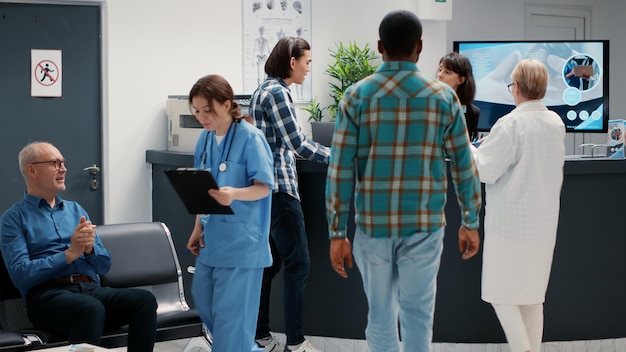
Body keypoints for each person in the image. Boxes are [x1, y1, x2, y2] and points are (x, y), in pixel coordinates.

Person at [326, 10, 482, 352]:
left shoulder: (356, 97)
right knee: (418, 316)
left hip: (372, 225)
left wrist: (337, 233)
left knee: (380, 317)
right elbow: (463, 165)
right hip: (424, 226)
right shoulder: (444, 99)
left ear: (380, 46)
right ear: (420, 47)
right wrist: (470, 221)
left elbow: (339, 170)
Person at [0, 141, 157, 351]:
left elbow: (104, 266)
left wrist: (91, 249)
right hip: (47, 297)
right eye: (55, 163)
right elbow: (21, 274)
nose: (63, 169)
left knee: (144, 301)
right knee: (89, 309)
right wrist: (70, 254)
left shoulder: (76, 210)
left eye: (63, 163)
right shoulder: (13, 218)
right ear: (32, 170)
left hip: (90, 289)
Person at [471, 59, 565, 352]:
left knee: (502, 294)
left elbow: (485, 170)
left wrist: (467, 146)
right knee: (532, 296)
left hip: (509, 227)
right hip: (543, 225)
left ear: (518, 89)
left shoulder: (510, 124)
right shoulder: (555, 123)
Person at [250, 36, 329, 352]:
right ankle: (295, 343)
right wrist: (339, 155)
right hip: (281, 190)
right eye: (307, 62)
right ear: (292, 61)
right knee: (299, 264)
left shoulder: (261, 90)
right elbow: (298, 144)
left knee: (269, 266)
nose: (309, 68)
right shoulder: (279, 93)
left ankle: (260, 335)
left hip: (266, 192)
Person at [185, 74, 274, 352]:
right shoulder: (204, 140)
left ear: (226, 105)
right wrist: (198, 227)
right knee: (205, 301)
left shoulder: (251, 138)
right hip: (213, 241)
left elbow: (263, 188)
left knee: (232, 323)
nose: (202, 117)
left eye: (207, 110)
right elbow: (203, 189)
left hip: (243, 245)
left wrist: (234, 193)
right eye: (196, 111)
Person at [437, 52, 480, 141]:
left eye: (447, 72)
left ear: (461, 80)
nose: (440, 75)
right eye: (440, 69)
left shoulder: (473, 112)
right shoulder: (430, 103)